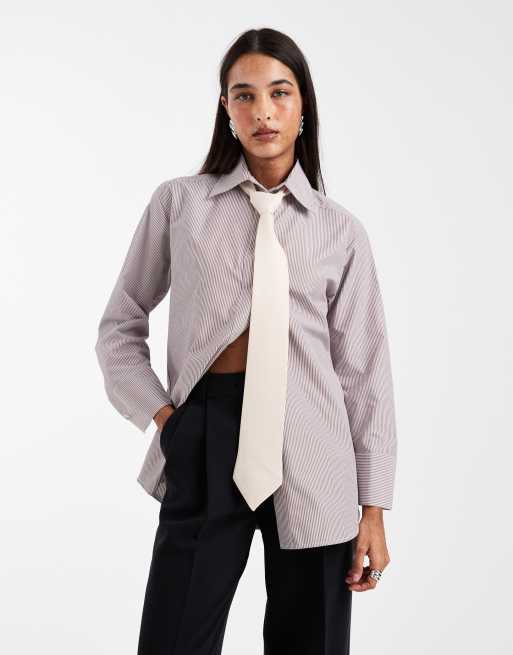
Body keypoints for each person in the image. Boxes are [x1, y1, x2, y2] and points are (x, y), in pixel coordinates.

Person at [95, 27, 398, 655]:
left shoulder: (341, 231)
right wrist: (165, 418)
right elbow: (121, 323)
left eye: (279, 93)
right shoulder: (181, 204)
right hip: (207, 433)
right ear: (225, 109)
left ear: (303, 105)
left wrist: (373, 507)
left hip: (315, 443)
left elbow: (364, 375)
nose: (263, 111)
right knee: (174, 638)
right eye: (245, 95)